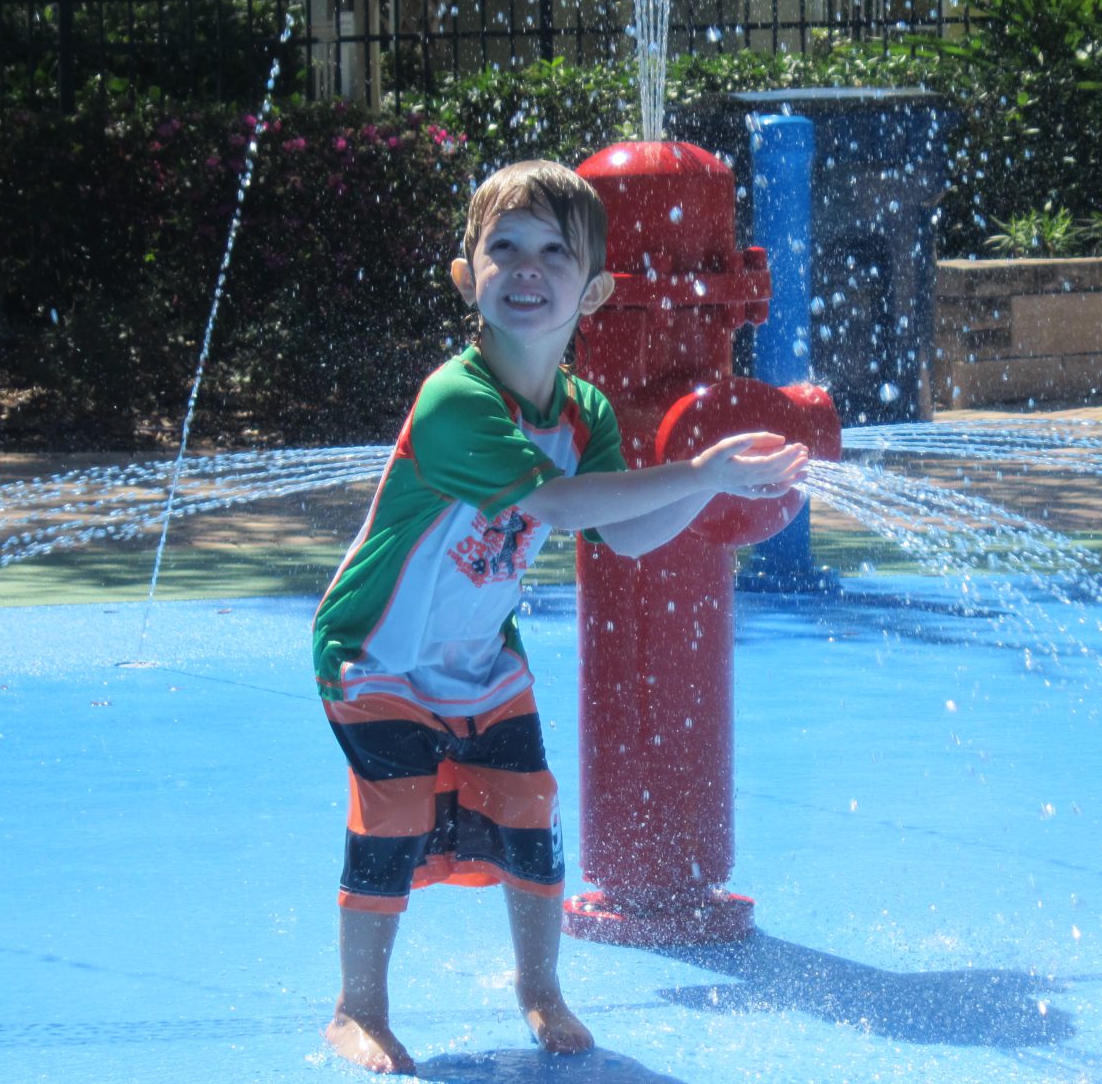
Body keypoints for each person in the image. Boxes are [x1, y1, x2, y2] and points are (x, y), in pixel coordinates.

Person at [312, 159, 808, 1074]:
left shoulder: (582, 413)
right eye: (504, 249)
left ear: (597, 291)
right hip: (375, 647)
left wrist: (714, 498)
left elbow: (623, 536)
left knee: (530, 812)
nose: (527, 269)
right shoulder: (457, 399)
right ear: (468, 277)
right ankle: (357, 1010)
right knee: (391, 813)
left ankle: (540, 989)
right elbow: (564, 508)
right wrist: (699, 476)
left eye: (554, 253)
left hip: (476, 652)